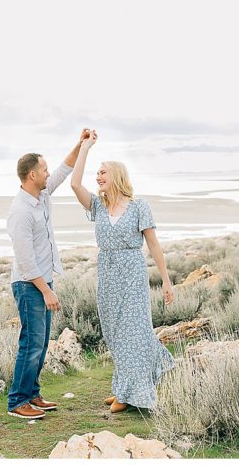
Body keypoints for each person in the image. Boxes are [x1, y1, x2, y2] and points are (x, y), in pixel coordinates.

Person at [70, 130, 176, 413]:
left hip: (132, 275)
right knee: (114, 333)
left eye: (102, 172)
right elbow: (74, 183)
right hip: (107, 275)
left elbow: (153, 245)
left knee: (134, 330)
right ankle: (124, 386)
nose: (98, 177)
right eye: (97, 173)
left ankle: (130, 394)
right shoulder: (98, 206)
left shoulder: (139, 206)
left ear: (116, 175)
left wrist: (166, 281)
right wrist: (85, 148)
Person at [6, 129, 92, 420]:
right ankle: (18, 401)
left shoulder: (41, 195)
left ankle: (32, 394)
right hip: (30, 284)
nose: (47, 173)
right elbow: (26, 261)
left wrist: (80, 145)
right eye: (43, 169)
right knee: (31, 342)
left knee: (41, 343)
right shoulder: (20, 212)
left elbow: (64, 170)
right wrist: (46, 289)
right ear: (31, 175)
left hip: (42, 281)